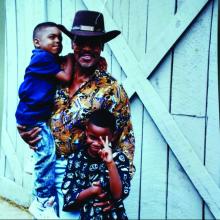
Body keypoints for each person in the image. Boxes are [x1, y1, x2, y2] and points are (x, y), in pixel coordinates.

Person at [17, 10, 135, 219]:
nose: (87, 48)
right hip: (46, 167)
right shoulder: (51, 71)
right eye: (81, 41)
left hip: (80, 177)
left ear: (102, 47)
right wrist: (25, 131)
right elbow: (30, 99)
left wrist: (117, 191)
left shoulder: (111, 89)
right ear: (73, 44)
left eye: (95, 42)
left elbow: (125, 142)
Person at [15, 22, 72, 219]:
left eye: (60, 38)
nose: (58, 41)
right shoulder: (44, 58)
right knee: (46, 153)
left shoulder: (45, 58)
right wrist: (70, 58)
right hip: (33, 117)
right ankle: (42, 199)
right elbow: (65, 77)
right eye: (52, 37)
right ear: (37, 42)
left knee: (44, 152)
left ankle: (42, 196)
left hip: (33, 115)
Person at [62, 109, 130, 220]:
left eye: (103, 139)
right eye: (92, 137)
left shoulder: (118, 158)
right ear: (86, 131)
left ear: (112, 136)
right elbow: (69, 196)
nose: (97, 143)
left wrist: (110, 163)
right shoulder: (75, 159)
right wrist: (92, 190)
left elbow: (118, 195)